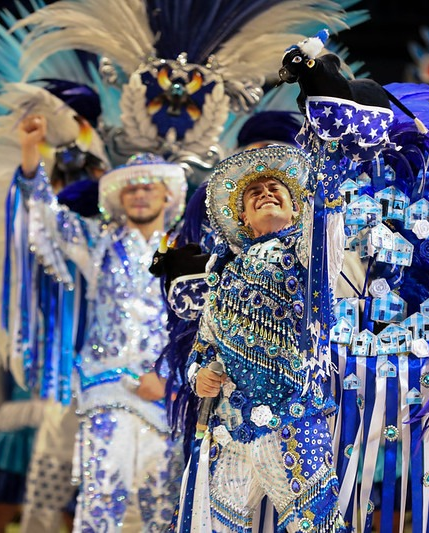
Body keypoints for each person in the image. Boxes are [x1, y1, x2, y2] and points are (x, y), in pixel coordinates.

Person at [16, 113, 187, 532]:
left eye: (150, 187)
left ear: (168, 196)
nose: (140, 195)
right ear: (117, 198)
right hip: (105, 385)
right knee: (101, 497)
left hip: (165, 394)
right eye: (132, 188)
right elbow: (47, 217)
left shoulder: (188, 250)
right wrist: (29, 153)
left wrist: (169, 379)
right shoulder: (98, 242)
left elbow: (199, 326)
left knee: (163, 505)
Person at [184, 144, 346, 533]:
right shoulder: (224, 274)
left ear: (297, 209)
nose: (267, 194)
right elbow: (203, 348)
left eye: (277, 189)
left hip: (295, 422)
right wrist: (200, 375)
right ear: (242, 217)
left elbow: (328, 221)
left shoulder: (309, 254)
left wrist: (329, 155)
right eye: (255, 194)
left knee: (319, 528)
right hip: (231, 430)